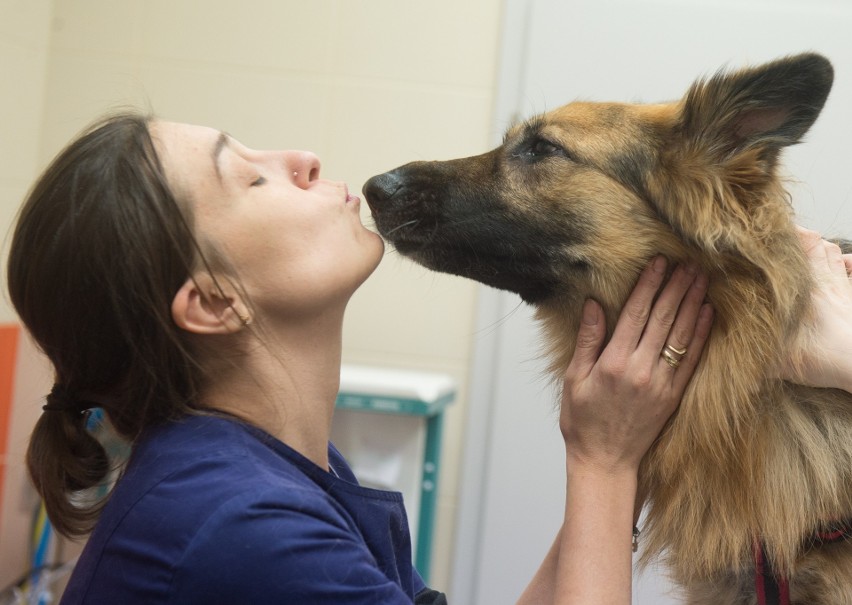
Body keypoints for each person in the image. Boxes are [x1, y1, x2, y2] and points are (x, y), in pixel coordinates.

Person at [5, 112, 850, 605]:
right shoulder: (232, 527)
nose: (296, 158)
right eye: (250, 178)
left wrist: (613, 455)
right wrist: (602, 460)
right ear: (214, 301)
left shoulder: (275, 471)